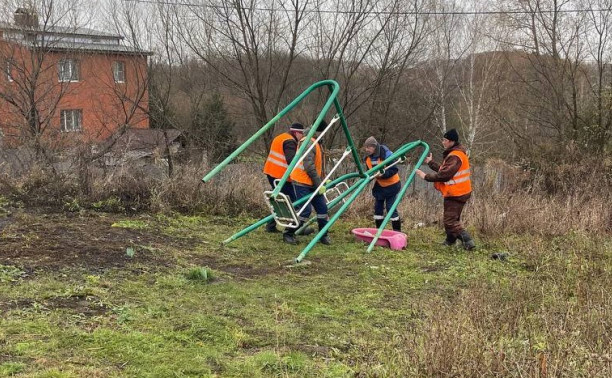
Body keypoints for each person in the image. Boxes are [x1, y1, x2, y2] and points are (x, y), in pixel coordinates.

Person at [415, 128, 476, 250]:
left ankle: (468, 241)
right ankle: (450, 240)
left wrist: (425, 176)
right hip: (459, 191)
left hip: (456, 192)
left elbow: (444, 175)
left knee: (449, 221)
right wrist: (431, 163)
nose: (443, 142)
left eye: (445, 140)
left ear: (451, 141)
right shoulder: (455, 154)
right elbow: (445, 170)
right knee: (453, 218)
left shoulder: (455, 156)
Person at [286, 120, 331, 245]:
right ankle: (288, 233)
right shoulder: (308, 142)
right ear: (320, 131)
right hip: (302, 181)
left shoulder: (316, 141)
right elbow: (309, 166)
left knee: (322, 209)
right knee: (304, 211)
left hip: (312, 182)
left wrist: (323, 178)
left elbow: (316, 165)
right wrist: (319, 184)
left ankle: (323, 235)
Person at [262, 123, 304, 233]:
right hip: (281, 176)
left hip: (271, 172)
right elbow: (291, 161)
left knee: (278, 200)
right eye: (301, 133)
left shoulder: (280, 137)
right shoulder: (290, 141)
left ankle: (271, 226)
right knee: (294, 202)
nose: (302, 136)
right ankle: (294, 228)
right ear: (296, 132)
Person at [362, 137, 402, 232]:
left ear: (374, 147)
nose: (366, 150)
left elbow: (394, 169)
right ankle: (379, 231)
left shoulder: (387, 155)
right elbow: (369, 172)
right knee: (378, 208)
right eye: (365, 147)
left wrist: (383, 174)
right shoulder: (368, 158)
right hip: (380, 186)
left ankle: (397, 232)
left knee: (390, 208)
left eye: (368, 147)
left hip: (392, 185)